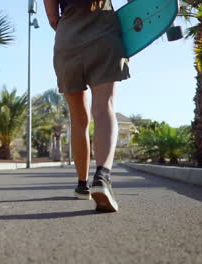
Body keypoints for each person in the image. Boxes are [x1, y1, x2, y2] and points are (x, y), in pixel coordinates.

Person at [44, 0, 130, 212]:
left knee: (79, 120)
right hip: (103, 35)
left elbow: (53, 18)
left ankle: (82, 185)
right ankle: (102, 177)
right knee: (104, 108)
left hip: (67, 42)